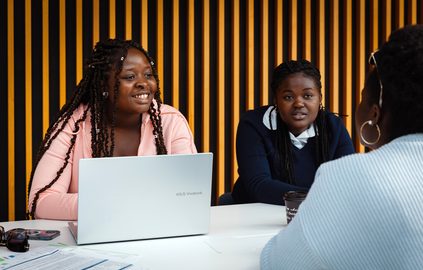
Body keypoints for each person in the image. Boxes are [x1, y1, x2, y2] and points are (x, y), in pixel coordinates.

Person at [261, 25, 423, 270]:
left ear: (374, 111)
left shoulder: (350, 176)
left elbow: (278, 263)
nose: (298, 104)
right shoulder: (256, 124)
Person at [28, 39, 197, 220]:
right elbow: (40, 202)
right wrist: (108, 205)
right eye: (130, 77)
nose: (143, 83)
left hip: (158, 240)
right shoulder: (73, 125)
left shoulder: (170, 122)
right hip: (90, 242)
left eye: (148, 75)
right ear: (103, 85)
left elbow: (191, 198)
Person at [231, 60, 354, 205]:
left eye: (307, 96)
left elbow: (349, 181)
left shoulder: (333, 127)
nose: (299, 103)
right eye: (288, 97)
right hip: (254, 214)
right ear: (276, 100)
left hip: (318, 214)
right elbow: (259, 185)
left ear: (320, 98)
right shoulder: (254, 124)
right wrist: (320, 198)